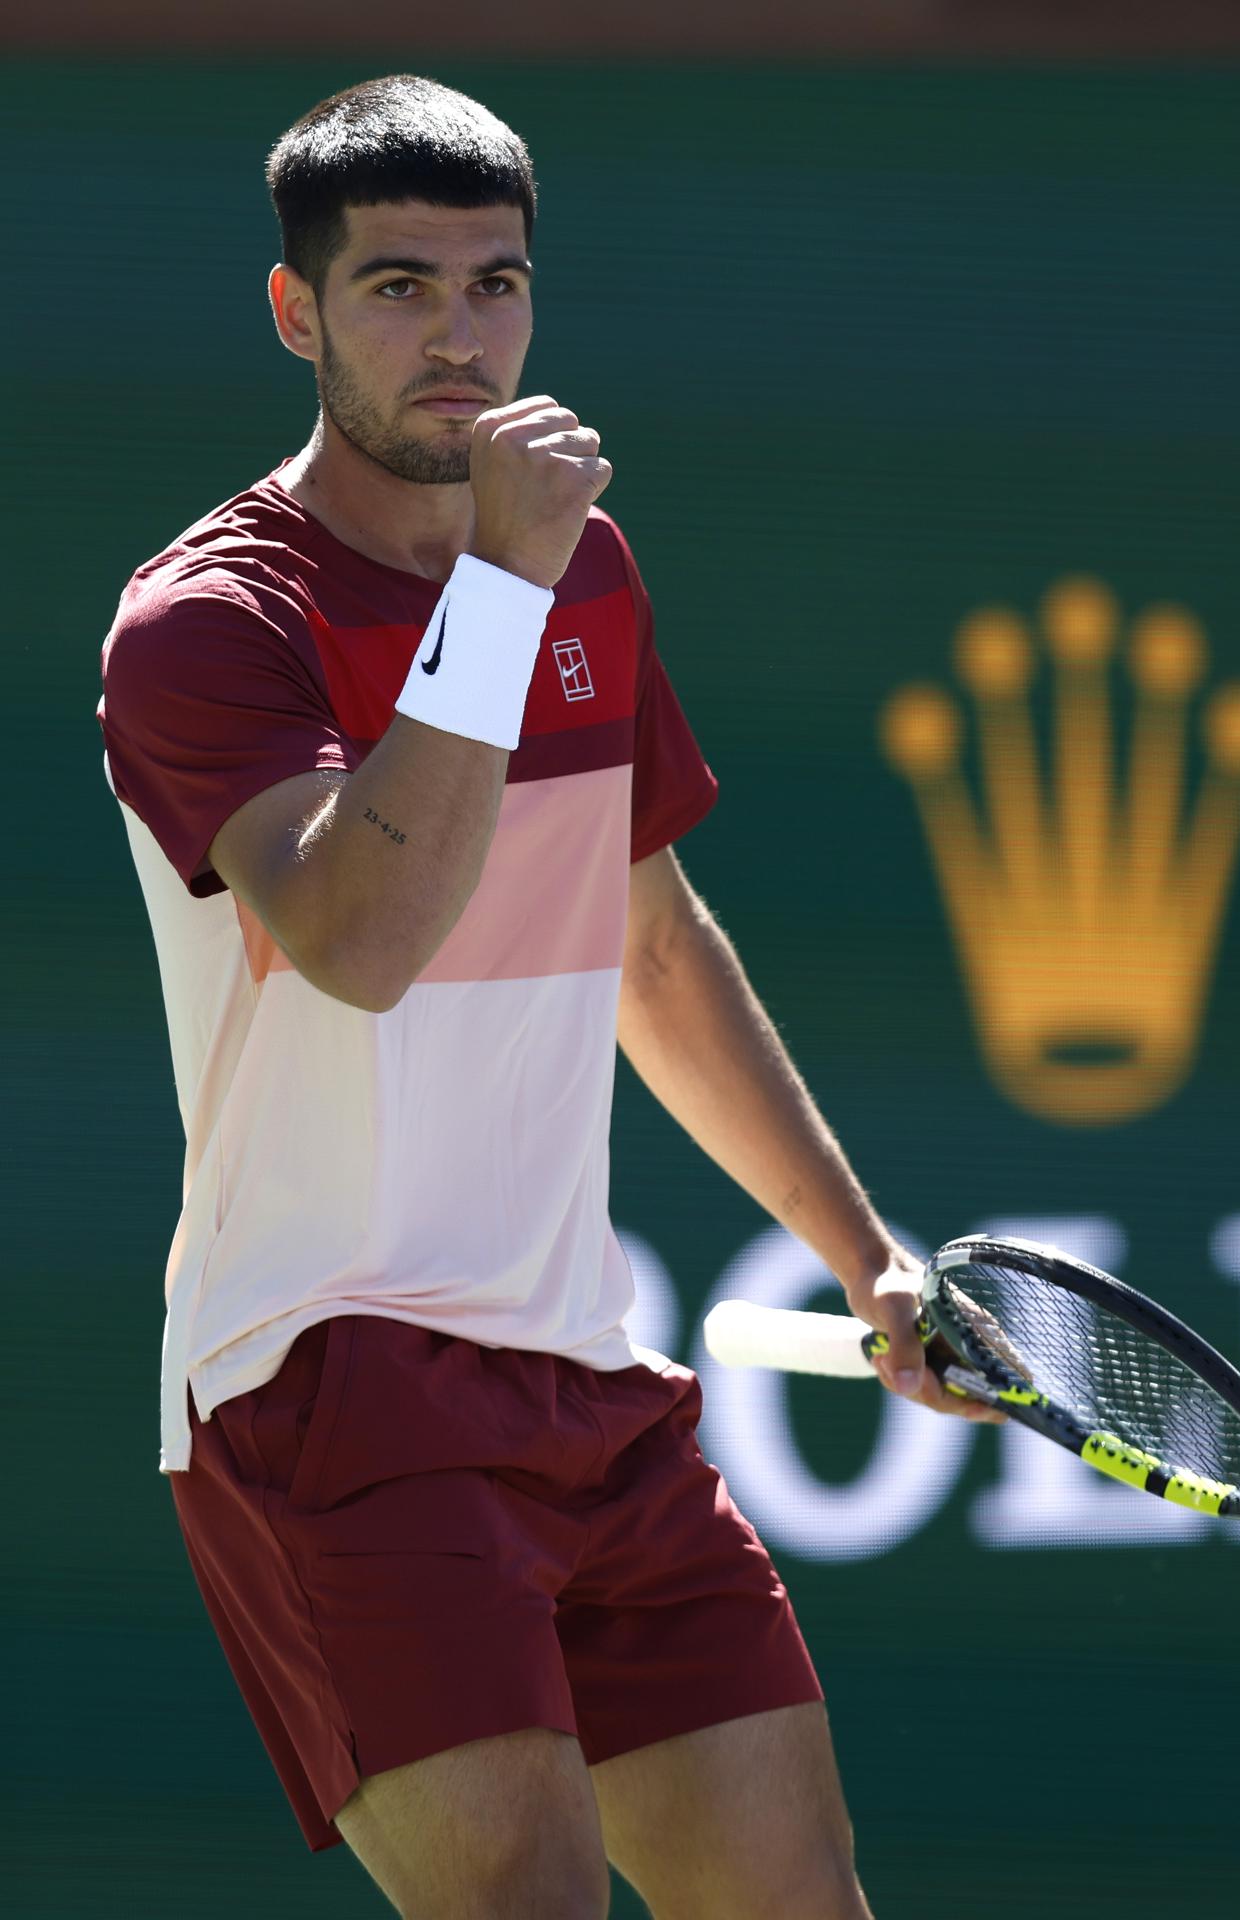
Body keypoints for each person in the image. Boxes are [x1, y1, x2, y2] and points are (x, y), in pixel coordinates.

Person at [98, 73, 1001, 1920]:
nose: (459, 336)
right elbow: (359, 939)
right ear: (298, 314)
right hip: (325, 1376)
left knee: (796, 1899)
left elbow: (652, 944)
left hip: (585, 1374)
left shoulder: (584, 571)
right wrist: (500, 583)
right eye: (400, 288)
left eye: (493, 286)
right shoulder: (211, 626)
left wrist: (866, 1254)